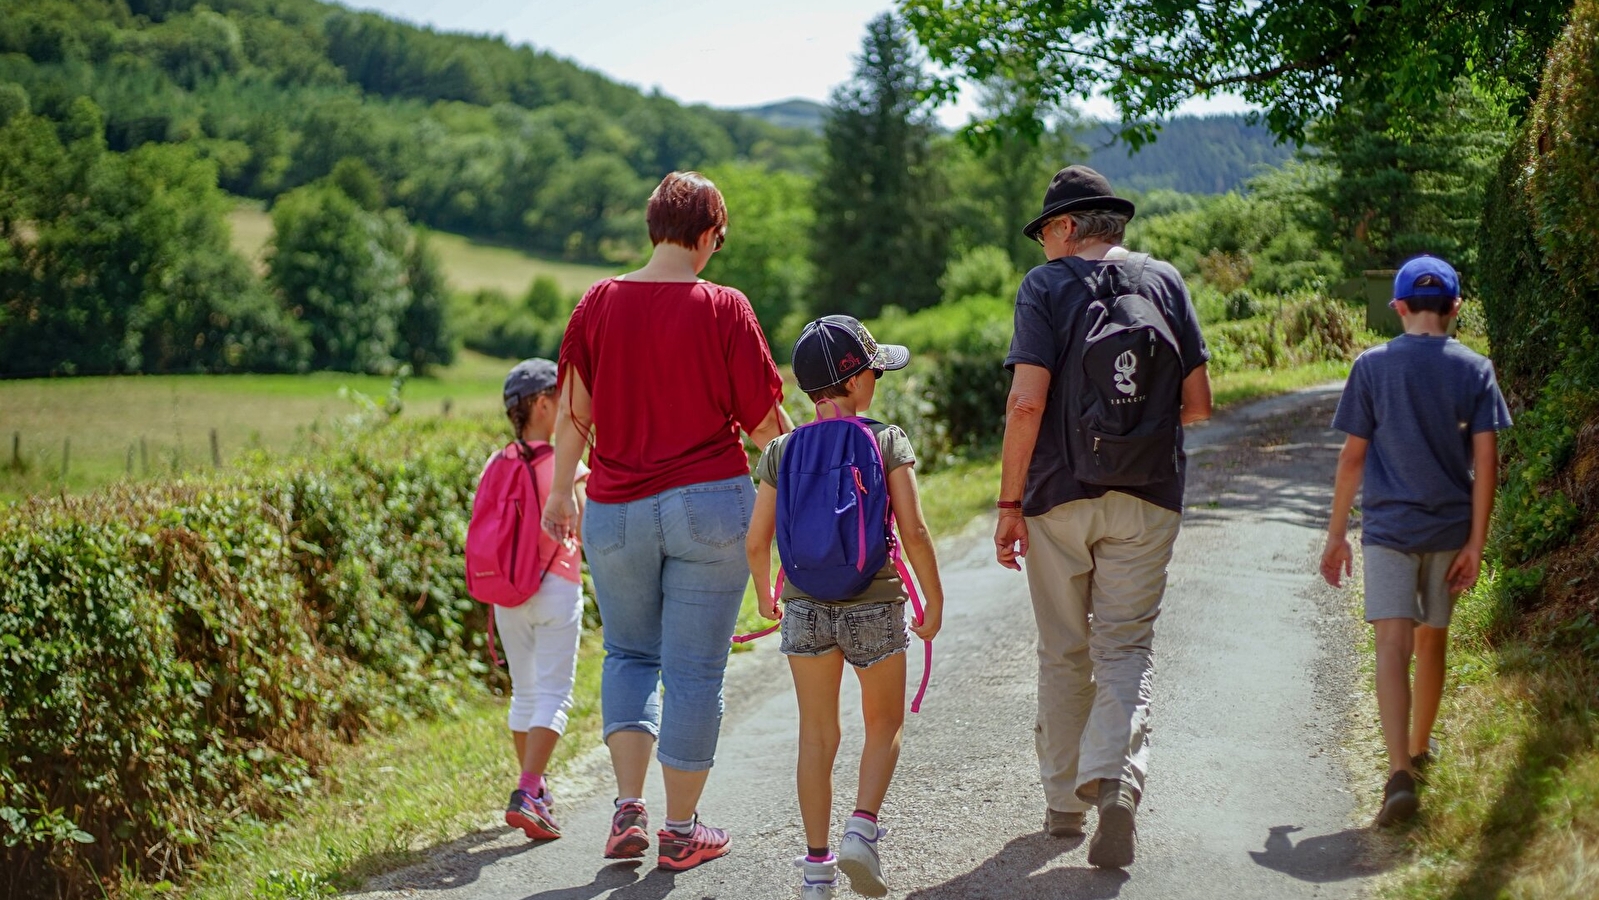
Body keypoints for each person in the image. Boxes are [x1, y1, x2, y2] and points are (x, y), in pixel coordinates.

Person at [541, 171, 791, 871]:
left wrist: (560, 493)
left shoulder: (597, 302)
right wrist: (806, 485)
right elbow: (764, 423)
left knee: (628, 654)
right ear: (709, 233)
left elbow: (570, 412)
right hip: (710, 505)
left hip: (615, 510)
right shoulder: (724, 307)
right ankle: (681, 831)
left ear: (653, 226)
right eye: (720, 237)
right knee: (694, 672)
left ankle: (627, 809)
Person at [995, 165, 1212, 869]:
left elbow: (1025, 402)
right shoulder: (1165, 281)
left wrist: (1007, 502)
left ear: (1065, 228)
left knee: (1063, 647)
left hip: (1058, 495)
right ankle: (1115, 778)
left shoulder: (1045, 288)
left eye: (1043, 235)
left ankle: (1063, 804)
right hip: (1149, 494)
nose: (1042, 249)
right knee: (1124, 646)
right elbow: (1200, 405)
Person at [746, 316, 945, 899]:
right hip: (874, 602)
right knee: (883, 723)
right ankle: (861, 830)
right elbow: (915, 529)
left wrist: (765, 594)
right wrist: (933, 598)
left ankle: (815, 871)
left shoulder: (781, 450)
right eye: (875, 370)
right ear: (855, 382)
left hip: (804, 607)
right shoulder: (886, 440)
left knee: (816, 733)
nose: (878, 380)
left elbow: (757, 541)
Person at [1320, 255, 1510, 826]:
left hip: (1387, 530)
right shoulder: (1474, 368)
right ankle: (1422, 749)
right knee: (1433, 641)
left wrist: (1335, 536)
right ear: (1455, 308)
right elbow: (1487, 461)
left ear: (1397, 306)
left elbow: (1353, 459)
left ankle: (1398, 771)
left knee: (1391, 648)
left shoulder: (1372, 366)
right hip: (1450, 530)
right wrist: (1477, 543)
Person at [482, 358, 589, 841]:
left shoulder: (495, 461)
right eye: (561, 401)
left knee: (524, 694)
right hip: (556, 585)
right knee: (555, 695)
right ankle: (528, 790)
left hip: (506, 593)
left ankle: (537, 789)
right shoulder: (566, 465)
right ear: (544, 405)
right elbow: (586, 532)